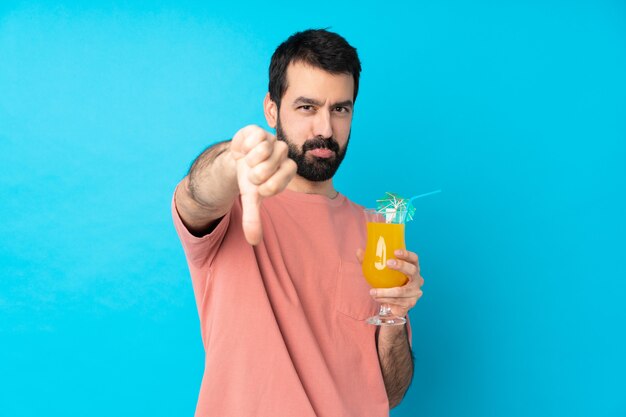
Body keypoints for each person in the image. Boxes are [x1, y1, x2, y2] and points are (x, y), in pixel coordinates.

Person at [172, 28, 424, 417]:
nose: (325, 129)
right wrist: (232, 160)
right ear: (272, 110)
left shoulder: (377, 232)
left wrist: (395, 318)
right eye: (307, 107)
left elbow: (389, 394)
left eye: (340, 109)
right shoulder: (234, 206)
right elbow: (195, 196)